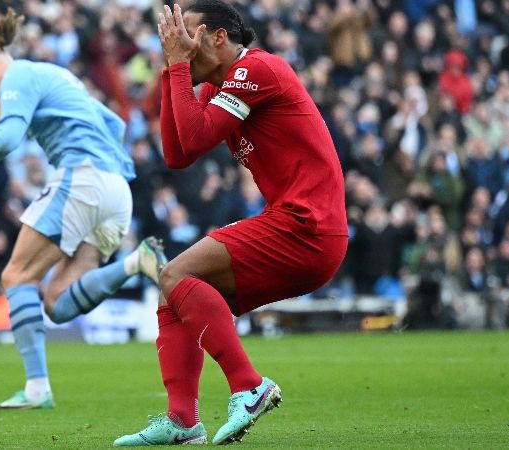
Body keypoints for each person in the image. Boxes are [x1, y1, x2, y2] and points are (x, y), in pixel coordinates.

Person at [114, 1, 348, 446]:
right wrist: (172, 68)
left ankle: (249, 386)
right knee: (174, 296)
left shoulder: (258, 69)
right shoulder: (219, 88)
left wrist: (179, 66)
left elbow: (197, 136)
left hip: (306, 227)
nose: (178, 45)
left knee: (174, 272)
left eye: (188, 37)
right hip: (301, 229)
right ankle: (182, 421)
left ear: (218, 38)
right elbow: (178, 154)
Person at [0, 8, 166, 411]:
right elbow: (116, 125)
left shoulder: (18, 76)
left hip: (81, 178)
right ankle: (138, 262)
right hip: (116, 190)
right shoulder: (60, 77)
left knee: (16, 276)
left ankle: (36, 389)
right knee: (58, 303)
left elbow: (6, 138)